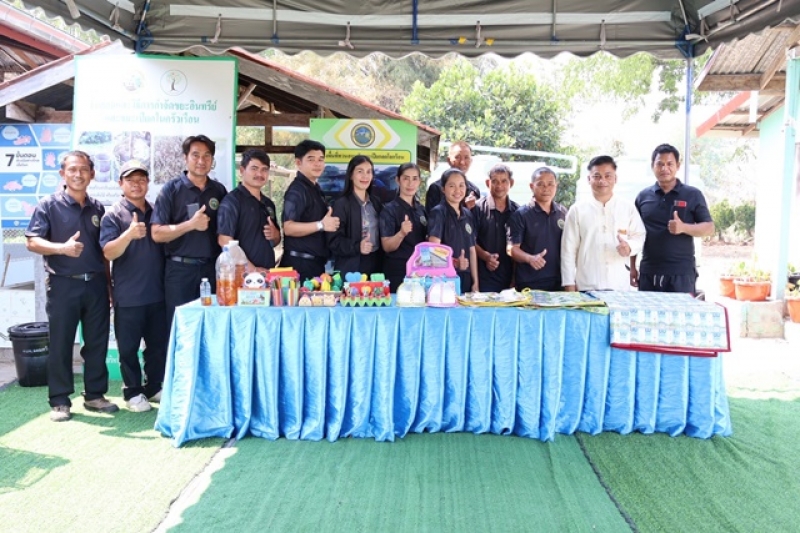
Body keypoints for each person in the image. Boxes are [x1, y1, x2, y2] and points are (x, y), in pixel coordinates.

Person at [25, 151, 118, 421]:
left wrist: (109, 287)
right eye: (73, 169)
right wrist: (61, 248)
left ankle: (95, 395)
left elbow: (103, 253)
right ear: (62, 174)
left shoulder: (98, 208)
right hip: (63, 285)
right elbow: (31, 241)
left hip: (96, 284)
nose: (78, 174)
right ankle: (60, 401)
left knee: (97, 342)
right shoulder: (48, 205)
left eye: (84, 170)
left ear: (92, 174)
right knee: (61, 344)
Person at [99, 160, 167, 412]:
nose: (136, 184)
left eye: (141, 180)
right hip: (128, 295)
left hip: (157, 293)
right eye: (130, 180)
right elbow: (108, 252)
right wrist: (128, 234)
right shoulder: (113, 214)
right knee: (128, 349)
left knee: (157, 346)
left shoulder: (156, 211)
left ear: (148, 183)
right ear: (120, 184)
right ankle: (133, 392)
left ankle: (154, 387)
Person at [632, 144, 715, 294]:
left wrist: (684, 227)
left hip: (681, 274)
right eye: (660, 164)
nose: (665, 168)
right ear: (652, 166)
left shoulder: (692, 194)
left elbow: (709, 228)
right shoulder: (643, 197)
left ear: (678, 166)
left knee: (681, 310)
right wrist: (632, 267)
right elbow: (634, 234)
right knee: (647, 310)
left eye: (669, 164)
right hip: (649, 273)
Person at [561, 155, 646, 292]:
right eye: (597, 176)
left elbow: (639, 236)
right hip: (587, 285)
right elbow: (568, 250)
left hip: (619, 286)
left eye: (608, 176)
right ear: (589, 179)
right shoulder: (577, 210)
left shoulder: (627, 207)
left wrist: (630, 247)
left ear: (615, 178)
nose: (602, 181)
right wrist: (569, 284)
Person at [281, 140, 340, 281]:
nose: (317, 164)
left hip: (314, 264)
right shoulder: (297, 190)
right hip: (299, 265)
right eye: (311, 159)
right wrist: (321, 225)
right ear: (298, 162)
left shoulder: (315, 188)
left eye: (321, 159)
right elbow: (288, 227)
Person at [217, 149, 281, 271]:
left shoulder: (268, 204)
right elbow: (224, 241)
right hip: (241, 276)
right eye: (254, 168)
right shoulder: (232, 201)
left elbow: (276, 241)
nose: (259, 174)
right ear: (242, 170)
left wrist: (275, 235)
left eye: (264, 169)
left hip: (267, 274)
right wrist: (252, 270)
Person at [509, 167, 568, 291]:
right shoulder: (521, 214)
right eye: (540, 184)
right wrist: (530, 258)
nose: (546, 188)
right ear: (532, 186)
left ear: (556, 185)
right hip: (530, 282)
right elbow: (512, 249)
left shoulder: (563, 212)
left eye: (550, 184)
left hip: (559, 281)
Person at [328, 155, 383, 276]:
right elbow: (334, 241)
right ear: (351, 175)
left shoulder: (376, 203)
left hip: (375, 265)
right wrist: (358, 247)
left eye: (368, 172)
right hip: (350, 268)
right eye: (360, 171)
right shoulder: (341, 204)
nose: (365, 176)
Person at [428, 168, 479, 293]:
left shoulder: (467, 214)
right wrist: (455, 263)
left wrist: (475, 283)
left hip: (466, 278)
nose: (457, 190)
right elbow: (433, 251)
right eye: (452, 186)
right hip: (444, 280)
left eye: (461, 185)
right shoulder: (438, 213)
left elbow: (472, 250)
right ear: (443, 189)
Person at [380, 162, 428, 292]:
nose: (410, 183)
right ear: (398, 180)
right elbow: (387, 246)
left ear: (419, 182)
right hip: (397, 271)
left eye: (414, 179)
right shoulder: (389, 210)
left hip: (419, 272)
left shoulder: (421, 209)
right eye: (406, 178)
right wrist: (401, 233)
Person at [472, 164, 518, 292]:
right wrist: (485, 256)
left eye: (504, 181)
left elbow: (519, 246)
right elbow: (470, 241)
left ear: (511, 183)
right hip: (482, 280)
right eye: (495, 181)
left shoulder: (517, 212)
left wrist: (514, 280)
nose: (499, 186)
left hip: (509, 280)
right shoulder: (477, 209)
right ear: (488, 183)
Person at [425, 141, 482, 211]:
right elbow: (432, 216)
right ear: (449, 160)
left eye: (466, 157)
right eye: (457, 157)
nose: (462, 162)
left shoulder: (474, 190)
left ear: (471, 161)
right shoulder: (436, 188)